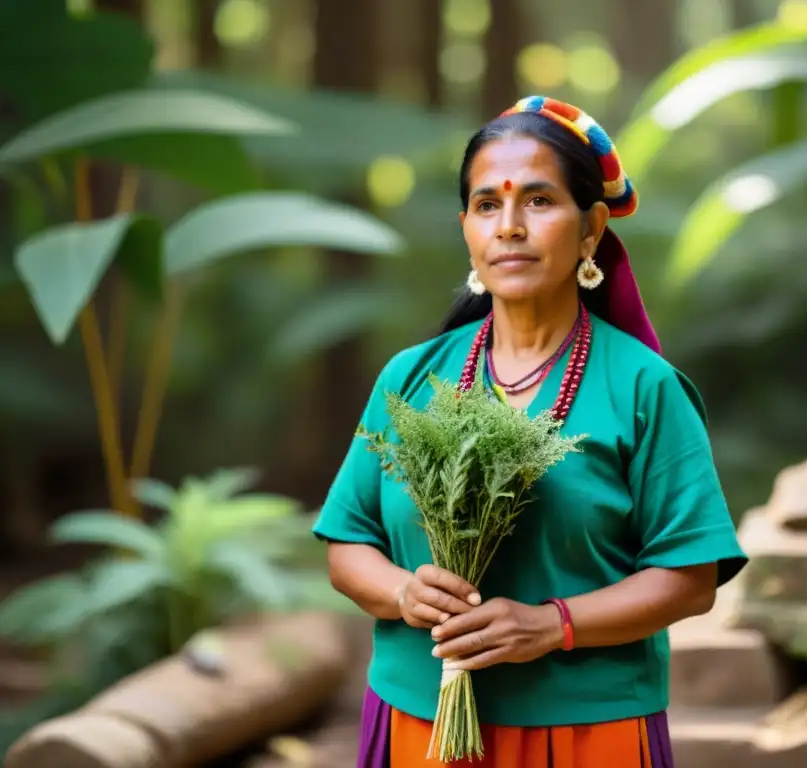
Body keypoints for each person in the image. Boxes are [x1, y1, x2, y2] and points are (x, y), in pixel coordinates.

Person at [314, 96, 747, 768]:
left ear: (592, 228)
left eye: (539, 202)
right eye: (487, 205)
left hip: (583, 735)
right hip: (417, 725)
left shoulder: (644, 388)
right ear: (466, 228)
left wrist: (552, 625)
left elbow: (691, 577)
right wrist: (403, 592)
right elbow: (347, 545)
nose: (509, 226)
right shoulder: (410, 380)